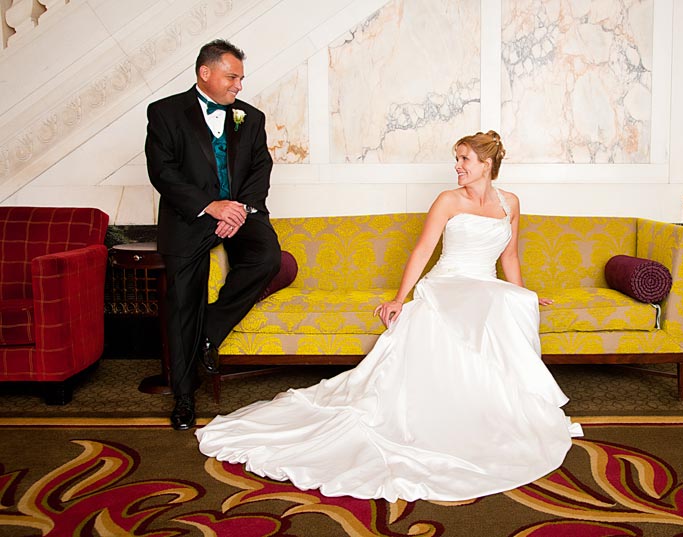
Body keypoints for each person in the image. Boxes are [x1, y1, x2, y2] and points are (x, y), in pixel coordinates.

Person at [196, 130, 582, 501]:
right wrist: (400, 298)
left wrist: (522, 293)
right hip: (449, 284)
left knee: (510, 302)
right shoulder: (448, 200)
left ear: (486, 164)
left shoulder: (510, 203)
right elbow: (422, 250)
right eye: (457, 159)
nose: (458, 167)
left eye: (464, 160)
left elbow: (509, 256)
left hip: (483, 285)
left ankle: (500, 413)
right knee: (493, 302)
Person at [145, 39, 281, 431]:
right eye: (232, 76)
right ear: (205, 73)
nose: (239, 85)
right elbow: (163, 172)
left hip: (241, 212)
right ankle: (184, 397)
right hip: (191, 216)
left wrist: (239, 211)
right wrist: (211, 206)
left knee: (266, 257)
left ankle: (210, 332)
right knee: (183, 301)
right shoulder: (165, 112)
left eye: (241, 77)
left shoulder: (250, 118)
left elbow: (260, 169)